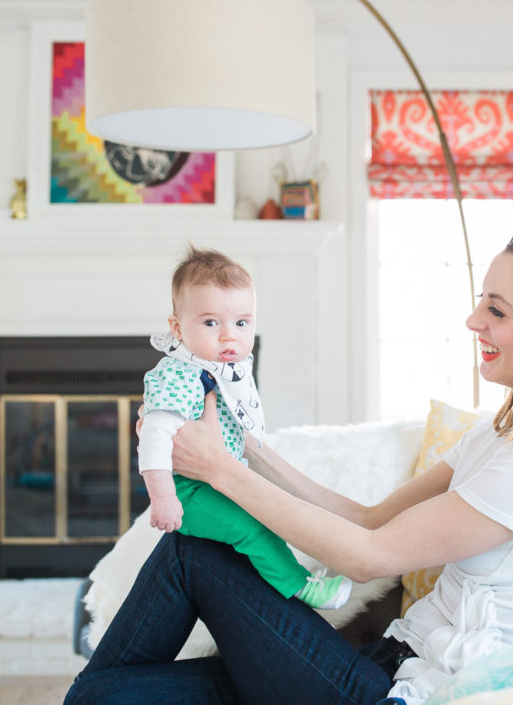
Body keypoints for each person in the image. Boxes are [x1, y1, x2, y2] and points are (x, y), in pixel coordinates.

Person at [66, 223, 513, 705]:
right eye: (480, 304)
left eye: (495, 310)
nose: (474, 323)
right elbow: (371, 519)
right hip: (385, 664)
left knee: (124, 655)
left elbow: (368, 559)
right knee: (110, 686)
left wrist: (221, 470)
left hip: (403, 697)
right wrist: (247, 448)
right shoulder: (501, 433)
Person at [137, 246, 352, 610]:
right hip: (187, 491)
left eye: (241, 323)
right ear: (177, 327)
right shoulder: (179, 374)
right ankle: (301, 586)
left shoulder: (219, 367)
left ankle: (282, 572)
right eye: (210, 323)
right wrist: (163, 498)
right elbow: (153, 437)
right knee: (254, 526)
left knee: (269, 509)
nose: (228, 336)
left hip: (218, 476)